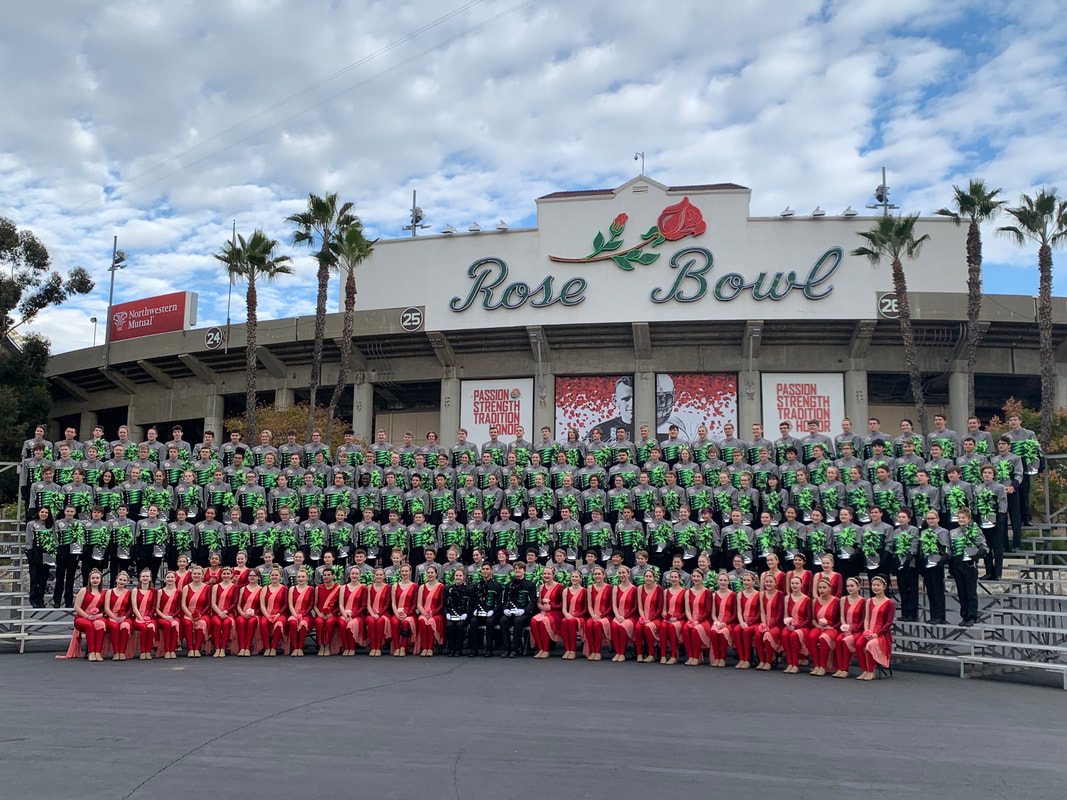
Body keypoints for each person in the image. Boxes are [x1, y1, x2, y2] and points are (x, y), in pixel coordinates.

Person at [949, 508, 987, 627]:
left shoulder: (975, 530)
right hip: (957, 563)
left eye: (963, 518)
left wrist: (976, 555)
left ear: (969, 519)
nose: (961, 520)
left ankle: (972, 616)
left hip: (970, 565)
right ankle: (964, 615)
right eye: (959, 518)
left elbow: (984, 547)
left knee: (970, 592)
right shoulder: (953, 532)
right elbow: (950, 550)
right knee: (961, 592)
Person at [858, 575, 895, 680]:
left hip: (881, 634)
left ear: (884, 587)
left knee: (870, 644)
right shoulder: (869, 601)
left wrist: (876, 634)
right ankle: (864, 669)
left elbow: (888, 623)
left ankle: (871, 670)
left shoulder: (889, 603)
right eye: (873, 585)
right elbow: (866, 618)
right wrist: (866, 631)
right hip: (869, 631)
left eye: (878, 585)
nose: (875, 587)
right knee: (858, 643)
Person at [833, 576, 869, 678]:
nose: (849, 588)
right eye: (848, 586)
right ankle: (840, 668)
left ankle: (845, 668)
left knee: (845, 641)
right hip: (846, 629)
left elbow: (863, 619)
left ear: (858, 587)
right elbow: (842, 616)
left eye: (852, 586)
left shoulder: (863, 601)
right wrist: (845, 627)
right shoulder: (843, 599)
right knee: (838, 640)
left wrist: (853, 630)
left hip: (857, 630)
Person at [71, 568, 107, 661]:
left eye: (97, 578)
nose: (95, 580)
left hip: (97, 617)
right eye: (93, 578)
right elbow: (77, 607)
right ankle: (91, 652)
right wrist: (87, 616)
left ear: (101, 580)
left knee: (101, 624)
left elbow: (105, 609)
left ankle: (98, 652)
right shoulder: (84, 590)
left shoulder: (104, 593)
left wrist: (99, 616)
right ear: (89, 580)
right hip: (82, 617)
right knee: (89, 625)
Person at [808, 577, 840, 676]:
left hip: (831, 628)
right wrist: (818, 626)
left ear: (830, 588)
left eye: (824, 588)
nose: (821, 590)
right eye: (820, 588)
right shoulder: (814, 601)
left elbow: (840, 619)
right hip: (819, 627)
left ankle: (823, 666)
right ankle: (816, 665)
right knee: (812, 636)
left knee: (823, 638)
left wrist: (832, 627)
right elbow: (813, 618)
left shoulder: (836, 601)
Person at [528, 566, 563, 658]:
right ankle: (540, 649)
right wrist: (542, 607)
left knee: (545, 621)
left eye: (549, 574)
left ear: (553, 575)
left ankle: (546, 649)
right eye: (545, 574)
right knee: (534, 621)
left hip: (555, 612)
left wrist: (552, 607)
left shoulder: (559, 587)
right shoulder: (542, 586)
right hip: (544, 611)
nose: (546, 576)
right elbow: (538, 603)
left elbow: (563, 604)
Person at [470, 563, 502, 657]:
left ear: (491, 571)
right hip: (479, 613)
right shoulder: (476, 586)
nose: (485, 571)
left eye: (487, 569)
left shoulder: (497, 585)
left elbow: (499, 602)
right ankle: (474, 649)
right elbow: (473, 601)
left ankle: (489, 649)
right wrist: (475, 610)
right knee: (473, 621)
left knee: (490, 622)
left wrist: (493, 611)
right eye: (483, 569)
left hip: (491, 613)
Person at [781, 574, 812, 673]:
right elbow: (785, 615)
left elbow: (808, 619)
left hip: (802, 626)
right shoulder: (787, 598)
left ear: (801, 585)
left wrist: (797, 626)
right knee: (784, 634)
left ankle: (795, 664)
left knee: (794, 635)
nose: (794, 585)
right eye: (792, 583)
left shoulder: (807, 599)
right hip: (790, 625)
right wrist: (788, 624)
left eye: (797, 583)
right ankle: (790, 663)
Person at [26, 506, 55, 608]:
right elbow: (29, 539)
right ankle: (33, 599)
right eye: (42, 512)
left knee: (43, 578)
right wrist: (29, 552)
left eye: (46, 513)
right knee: (34, 578)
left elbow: (55, 539)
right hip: (35, 553)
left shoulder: (51, 525)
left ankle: (41, 599)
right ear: (38, 513)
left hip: (47, 554)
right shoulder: (31, 524)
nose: (44, 514)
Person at [754, 570, 784, 670]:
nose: (768, 584)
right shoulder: (761, 594)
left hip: (776, 624)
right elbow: (762, 611)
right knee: (758, 634)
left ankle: (768, 661)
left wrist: (770, 626)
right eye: (767, 582)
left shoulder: (780, 594)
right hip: (765, 622)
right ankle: (762, 660)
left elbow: (780, 613)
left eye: (771, 582)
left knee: (768, 635)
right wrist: (764, 624)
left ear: (775, 583)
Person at [682, 568, 711, 666]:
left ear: (702, 578)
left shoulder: (707, 592)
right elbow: (687, 609)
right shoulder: (688, 592)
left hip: (703, 620)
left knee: (695, 630)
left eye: (698, 576)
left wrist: (698, 621)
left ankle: (696, 656)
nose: (696, 578)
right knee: (685, 628)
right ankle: (690, 656)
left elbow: (708, 611)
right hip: (691, 618)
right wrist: (691, 620)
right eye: (694, 576)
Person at [658, 568, 687, 664]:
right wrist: (666, 617)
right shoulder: (666, 591)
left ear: (680, 579)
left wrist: (677, 618)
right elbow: (663, 610)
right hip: (668, 617)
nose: (673, 579)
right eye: (672, 577)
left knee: (672, 627)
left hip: (679, 618)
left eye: (675, 577)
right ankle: (662, 655)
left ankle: (674, 655)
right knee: (663, 626)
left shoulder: (684, 592)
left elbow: (686, 611)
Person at [731, 571, 760, 669]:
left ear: (753, 581)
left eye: (748, 580)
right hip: (743, 621)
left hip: (754, 622)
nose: (746, 582)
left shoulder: (758, 594)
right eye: (744, 580)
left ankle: (747, 659)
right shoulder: (739, 595)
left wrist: (750, 622)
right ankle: (741, 658)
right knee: (736, 630)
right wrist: (742, 622)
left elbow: (759, 613)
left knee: (746, 632)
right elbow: (739, 612)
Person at [608, 565, 637, 661]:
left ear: (628, 574)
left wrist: (625, 616)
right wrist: (617, 616)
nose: (621, 575)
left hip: (630, 616)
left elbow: (635, 607)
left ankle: (622, 652)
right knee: (614, 625)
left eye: (623, 573)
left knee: (622, 626)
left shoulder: (634, 589)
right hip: (618, 615)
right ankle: (617, 652)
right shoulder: (616, 588)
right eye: (620, 573)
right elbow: (614, 604)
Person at [634, 567, 663, 663]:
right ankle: (639, 654)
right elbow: (640, 606)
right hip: (644, 617)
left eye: (650, 576)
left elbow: (659, 608)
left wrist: (650, 619)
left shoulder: (659, 589)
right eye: (646, 576)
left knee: (648, 627)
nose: (648, 578)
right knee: (638, 627)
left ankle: (651, 654)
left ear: (654, 578)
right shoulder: (640, 589)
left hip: (655, 618)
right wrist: (643, 618)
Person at [708, 571, 737, 667]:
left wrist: (725, 623)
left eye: (725, 580)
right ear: (717, 581)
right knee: (713, 631)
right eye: (721, 580)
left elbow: (734, 614)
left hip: (729, 622)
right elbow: (713, 613)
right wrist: (716, 621)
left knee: (723, 632)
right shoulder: (714, 595)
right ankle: (717, 657)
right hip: (718, 620)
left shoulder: (733, 595)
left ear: (728, 582)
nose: (723, 582)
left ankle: (722, 658)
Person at [415, 564, 445, 656]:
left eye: (432, 573)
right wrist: (424, 613)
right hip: (424, 613)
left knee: (431, 621)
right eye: (428, 573)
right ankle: (424, 647)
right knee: (422, 620)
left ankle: (430, 648)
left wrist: (433, 613)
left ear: (436, 574)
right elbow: (419, 604)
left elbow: (442, 604)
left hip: (436, 614)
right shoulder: (422, 587)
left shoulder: (441, 586)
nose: (430, 575)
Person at [583, 566, 612, 660]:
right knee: (588, 624)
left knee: (597, 625)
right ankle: (593, 650)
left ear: (603, 575)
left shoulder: (609, 588)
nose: (597, 576)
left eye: (599, 574)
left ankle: (598, 651)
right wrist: (593, 615)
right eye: (595, 574)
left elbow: (610, 606)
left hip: (605, 615)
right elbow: (589, 605)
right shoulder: (590, 588)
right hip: (594, 614)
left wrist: (602, 616)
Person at [338, 566, 368, 656]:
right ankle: (346, 647)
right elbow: (341, 604)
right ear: (349, 575)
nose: (354, 575)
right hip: (345, 613)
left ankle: (352, 647)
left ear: (359, 575)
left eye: (356, 574)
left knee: (352, 624)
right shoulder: (343, 588)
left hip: (357, 615)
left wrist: (353, 616)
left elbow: (363, 606)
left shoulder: (363, 588)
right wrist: (345, 615)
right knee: (342, 623)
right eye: (352, 574)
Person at [104, 570, 133, 660]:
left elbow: (130, 608)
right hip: (112, 615)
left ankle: (122, 651)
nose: (122, 582)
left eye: (124, 580)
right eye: (120, 579)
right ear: (116, 580)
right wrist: (114, 617)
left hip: (124, 616)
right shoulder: (109, 592)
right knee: (114, 626)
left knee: (125, 626)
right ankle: (116, 652)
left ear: (127, 582)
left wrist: (124, 617)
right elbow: (106, 608)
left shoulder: (129, 593)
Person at [259, 567, 289, 655]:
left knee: (279, 624)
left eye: (276, 575)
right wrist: (267, 615)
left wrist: (278, 615)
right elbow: (262, 604)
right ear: (270, 576)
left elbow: (285, 604)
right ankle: (267, 647)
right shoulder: (265, 588)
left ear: (280, 576)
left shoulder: (284, 589)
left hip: (280, 614)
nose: (274, 577)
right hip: (267, 613)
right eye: (272, 575)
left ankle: (274, 647)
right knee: (263, 623)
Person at [444, 567, 473, 656]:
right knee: (449, 625)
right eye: (456, 575)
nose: (458, 577)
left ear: (464, 577)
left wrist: (466, 614)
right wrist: (447, 613)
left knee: (460, 625)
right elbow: (445, 604)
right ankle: (451, 648)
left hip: (463, 615)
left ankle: (459, 649)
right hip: (451, 614)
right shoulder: (448, 589)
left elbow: (471, 605)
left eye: (460, 575)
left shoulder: (469, 589)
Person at [210, 566, 238, 657]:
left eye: (228, 574)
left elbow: (234, 603)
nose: (226, 575)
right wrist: (219, 613)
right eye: (224, 574)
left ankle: (223, 648)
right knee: (217, 623)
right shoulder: (215, 587)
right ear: (221, 575)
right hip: (217, 612)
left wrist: (225, 612)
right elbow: (213, 602)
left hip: (228, 613)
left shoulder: (235, 587)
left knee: (226, 623)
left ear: (231, 575)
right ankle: (217, 648)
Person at [559, 569, 588, 660]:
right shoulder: (566, 591)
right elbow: (564, 607)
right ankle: (567, 649)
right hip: (569, 615)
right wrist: (566, 614)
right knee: (564, 621)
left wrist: (576, 616)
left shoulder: (584, 591)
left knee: (571, 622)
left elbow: (586, 609)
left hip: (580, 616)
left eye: (576, 577)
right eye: (573, 577)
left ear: (580, 579)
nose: (574, 578)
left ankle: (573, 650)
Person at [390, 563, 418, 656]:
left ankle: (403, 647)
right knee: (394, 622)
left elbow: (414, 603)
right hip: (397, 612)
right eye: (402, 571)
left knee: (406, 623)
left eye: (406, 571)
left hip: (409, 614)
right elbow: (393, 602)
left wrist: (407, 614)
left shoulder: (414, 586)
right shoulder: (395, 586)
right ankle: (396, 647)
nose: (404, 573)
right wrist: (396, 613)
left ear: (410, 572)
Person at [313, 566, 342, 656]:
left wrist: (332, 614)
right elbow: (314, 605)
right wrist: (319, 614)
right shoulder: (318, 588)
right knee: (318, 622)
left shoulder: (339, 588)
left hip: (332, 615)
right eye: (325, 575)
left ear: (333, 576)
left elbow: (340, 605)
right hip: (320, 614)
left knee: (329, 623)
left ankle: (328, 645)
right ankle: (321, 646)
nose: (326, 576)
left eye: (329, 575)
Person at [287, 566, 315, 656]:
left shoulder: (311, 589)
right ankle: (295, 647)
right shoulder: (292, 589)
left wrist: (303, 615)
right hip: (294, 613)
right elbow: (290, 604)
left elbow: (311, 605)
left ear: (307, 578)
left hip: (306, 614)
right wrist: (295, 615)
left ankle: (300, 647)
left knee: (303, 623)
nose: (301, 579)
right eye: (299, 577)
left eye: (303, 577)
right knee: (292, 621)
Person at [131, 568, 158, 659]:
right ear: (140, 578)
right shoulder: (135, 590)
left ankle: (148, 651)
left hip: (149, 617)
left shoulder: (154, 591)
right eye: (143, 576)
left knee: (150, 627)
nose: (145, 578)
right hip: (138, 617)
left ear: (150, 578)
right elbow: (134, 607)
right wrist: (141, 618)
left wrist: (148, 617)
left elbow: (154, 607)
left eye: (147, 576)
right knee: (143, 627)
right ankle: (143, 651)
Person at [234, 569, 262, 656]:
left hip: (255, 614)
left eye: (254, 576)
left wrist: (254, 613)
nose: (252, 577)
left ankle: (247, 647)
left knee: (251, 622)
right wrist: (242, 613)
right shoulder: (243, 589)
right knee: (240, 621)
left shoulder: (262, 589)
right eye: (250, 576)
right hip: (243, 613)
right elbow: (238, 605)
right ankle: (242, 647)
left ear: (258, 577)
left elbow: (262, 606)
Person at [155, 570, 182, 658]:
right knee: (166, 624)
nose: (170, 579)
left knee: (175, 624)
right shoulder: (160, 592)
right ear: (165, 580)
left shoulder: (178, 592)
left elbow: (179, 608)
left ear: (175, 579)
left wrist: (172, 616)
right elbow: (156, 608)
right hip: (162, 616)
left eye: (172, 577)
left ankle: (172, 649)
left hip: (173, 616)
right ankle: (167, 650)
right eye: (168, 577)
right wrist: (164, 616)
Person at [367, 568, 393, 656]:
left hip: (383, 613)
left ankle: (378, 647)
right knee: (370, 621)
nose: (378, 577)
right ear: (374, 576)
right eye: (377, 575)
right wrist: (372, 614)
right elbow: (368, 604)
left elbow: (387, 603)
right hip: (372, 612)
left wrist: (379, 614)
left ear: (384, 576)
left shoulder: (388, 587)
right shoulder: (369, 587)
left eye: (380, 575)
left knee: (380, 621)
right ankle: (372, 647)